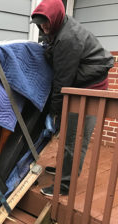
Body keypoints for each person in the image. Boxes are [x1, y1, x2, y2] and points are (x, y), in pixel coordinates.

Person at [30, 0, 114, 196]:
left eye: (46, 23)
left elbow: (62, 81)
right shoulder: (60, 28)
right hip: (79, 87)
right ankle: (64, 171)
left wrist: (53, 112)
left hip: (90, 92)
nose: (44, 27)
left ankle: (65, 186)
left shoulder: (68, 38)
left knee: (75, 140)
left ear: (56, 18)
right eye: (41, 24)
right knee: (69, 135)